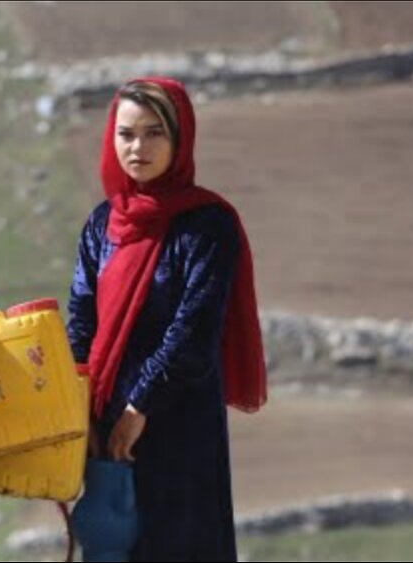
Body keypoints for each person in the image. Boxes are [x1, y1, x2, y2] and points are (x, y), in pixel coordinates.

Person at [65, 77, 268, 561]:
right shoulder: (102, 224)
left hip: (180, 424)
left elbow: (194, 332)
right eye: (126, 133)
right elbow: (80, 321)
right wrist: (82, 410)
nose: (138, 147)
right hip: (106, 424)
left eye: (155, 133)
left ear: (180, 140)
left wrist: (140, 408)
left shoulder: (207, 225)